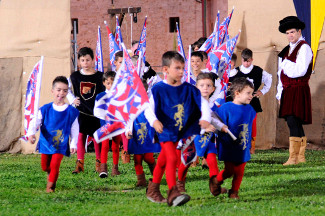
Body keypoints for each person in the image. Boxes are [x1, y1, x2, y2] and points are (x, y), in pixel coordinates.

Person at [145, 51, 212, 206]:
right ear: (166, 69)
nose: (182, 72)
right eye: (177, 68)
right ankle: (173, 192)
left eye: (183, 68)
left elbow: (204, 105)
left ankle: (153, 190)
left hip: (180, 130)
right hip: (165, 130)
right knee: (172, 158)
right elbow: (149, 108)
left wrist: (205, 119)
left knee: (162, 160)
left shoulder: (190, 89)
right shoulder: (158, 89)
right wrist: (154, 121)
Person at [176, 73, 228, 196]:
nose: (205, 88)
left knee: (212, 162)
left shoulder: (210, 103)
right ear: (196, 87)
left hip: (207, 140)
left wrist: (221, 126)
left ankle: (215, 187)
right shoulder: (193, 103)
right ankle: (180, 185)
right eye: (202, 85)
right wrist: (204, 128)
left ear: (213, 89)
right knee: (186, 162)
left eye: (208, 85)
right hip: (193, 138)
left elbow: (212, 118)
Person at [27, 76, 79, 192]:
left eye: (65, 91)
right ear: (52, 91)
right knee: (45, 166)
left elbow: (75, 129)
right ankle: (50, 174)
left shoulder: (71, 111)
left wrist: (73, 143)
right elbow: (36, 122)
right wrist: (31, 134)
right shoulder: (45, 109)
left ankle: (50, 187)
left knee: (55, 165)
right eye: (59, 90)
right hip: (46, 143)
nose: (61, 93)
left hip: (60, 144)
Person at [277, 16, 312, 165]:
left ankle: (294, 157)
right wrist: (280, 93)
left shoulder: (304, 47)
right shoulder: (286, 50)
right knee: (293, 121)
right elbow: (281, 74)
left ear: (299, 31)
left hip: (298, 88)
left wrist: (285, 63)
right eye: (287, 33)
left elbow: (300, 70)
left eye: (292, 32)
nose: (290, 35)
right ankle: (300, 157)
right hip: (288, 90)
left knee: (293, 120)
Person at [215, 77, 256, 199]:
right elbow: (218, 127)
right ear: (237, 93)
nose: (251, 96)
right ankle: (217, 180)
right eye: (248, 93)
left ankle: (234, 191)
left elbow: (251, 126)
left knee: (240, 170)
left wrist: (251, 143)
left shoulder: (250, 109)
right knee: (230, 170)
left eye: (252, 93)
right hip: (228, 146)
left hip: (243, 146)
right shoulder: (225, 109)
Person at [68, 47, 105, 174]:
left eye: (88, 60)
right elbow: (67, 89)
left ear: (93, 60)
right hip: (81, 111)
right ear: (79, 61)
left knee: (97, 137)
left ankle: (99, 162)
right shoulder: (75, 76)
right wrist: (72, 99)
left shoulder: (100, 76)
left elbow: (107, 91)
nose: (85, 63)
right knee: (81, 135)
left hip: (96, 112)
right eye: (82, 60)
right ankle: (79, 163)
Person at [229, 48, 272, 154]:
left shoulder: (258, 71)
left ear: (252, 59)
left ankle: (252, 146)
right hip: (239, 103)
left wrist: (262, 91)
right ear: (241, 59)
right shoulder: (236, 71)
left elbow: (269, 78)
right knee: (238, 123)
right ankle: (239, 144)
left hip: (252, 102)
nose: (246, 63)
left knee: (252, 123)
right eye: (244, 61)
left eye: (248, 61)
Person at [126, 79, 160, 187]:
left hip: (148, 134)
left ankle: (156, 176)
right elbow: (128, 119)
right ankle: (141, 180)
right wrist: (128, 130)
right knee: (137, 158)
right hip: (135, 135)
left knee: (148, 157)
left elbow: (154, 117)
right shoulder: (130, 104)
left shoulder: (150, 103)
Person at [94, 71, 122, 178]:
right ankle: (103, 168)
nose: (111, 85)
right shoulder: (100, 96)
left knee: (115, 146)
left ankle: (115, 168)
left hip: (117, 124)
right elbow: (97, 111)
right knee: (105, 145)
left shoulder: (120, 96)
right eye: (108, 83)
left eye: (113, 83)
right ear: (104, 83)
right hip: (105, 124)